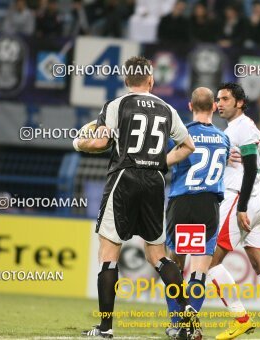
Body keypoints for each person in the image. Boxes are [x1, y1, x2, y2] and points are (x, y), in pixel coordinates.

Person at [73, 56, 197, 339]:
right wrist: (161, 162)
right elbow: (187, 145)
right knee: (159, 256)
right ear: (151, 80)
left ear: (127, 81)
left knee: (108, 256)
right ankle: (187, 305)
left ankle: (105, 327)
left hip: (124, 178)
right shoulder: (167, 109)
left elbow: (101, 142)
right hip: (154, 181)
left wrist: (78, 142)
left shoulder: (117, 105)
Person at [208, 83, 260, 340]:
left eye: (225, 99)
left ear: (240, 103)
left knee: (208, 262)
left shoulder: (243, 127)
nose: (219, 104)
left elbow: (252, 168)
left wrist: (241, 208)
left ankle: (241, 319)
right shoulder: (236, 128)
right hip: (256, 202)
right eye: (217, 99)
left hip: (239, 201)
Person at [164, 87, 231, 340]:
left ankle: (175, 322)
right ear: (214, 107)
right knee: (199, 271)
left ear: (190, 107)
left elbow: (167, 160)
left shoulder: (183, 134)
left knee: (173, 265)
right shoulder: (224, 139)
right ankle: (191, 324)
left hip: (182, 202)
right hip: (208, 205)